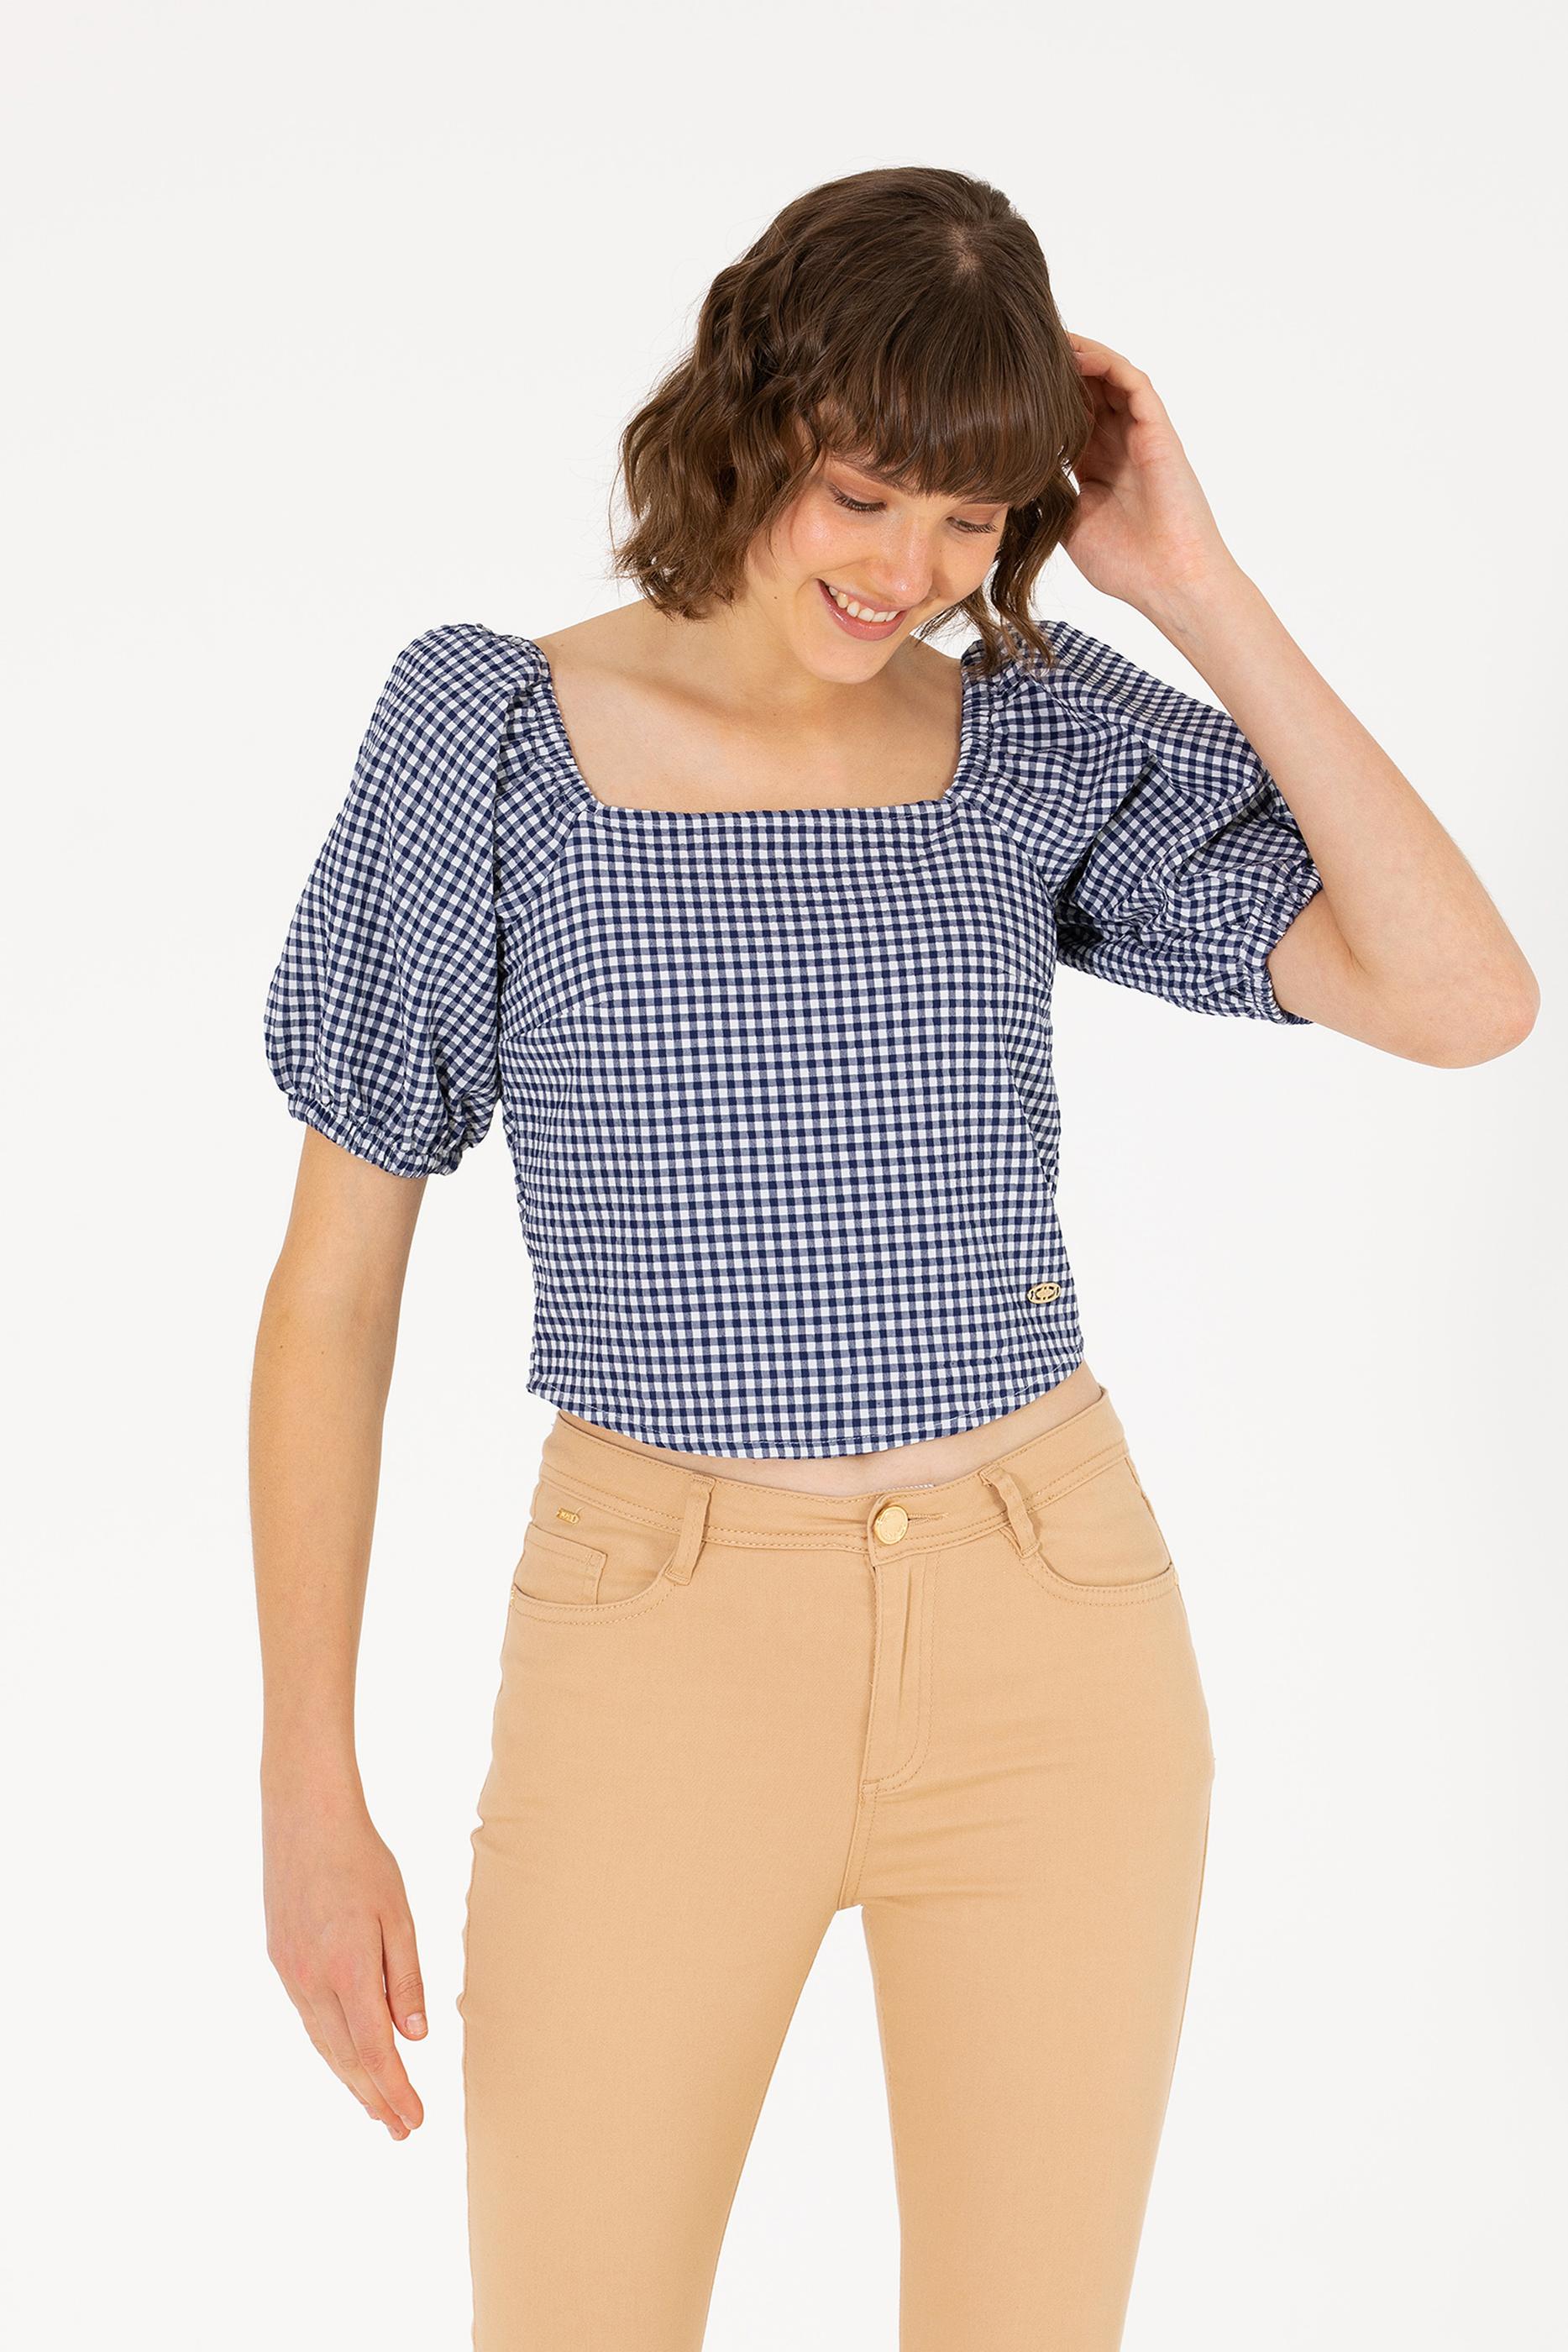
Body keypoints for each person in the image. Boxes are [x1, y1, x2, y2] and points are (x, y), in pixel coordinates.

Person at [249, 166, 1538, 2350]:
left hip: (1051, 1631)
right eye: (861, 496)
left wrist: (1193, 583)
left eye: (967, 520)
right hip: (660, 1643)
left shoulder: (1024, 728)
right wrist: (308, 1784)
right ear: (746, 416)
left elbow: (1460, 994)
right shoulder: (485, 741)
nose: (906, 570)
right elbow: (331, 1293)